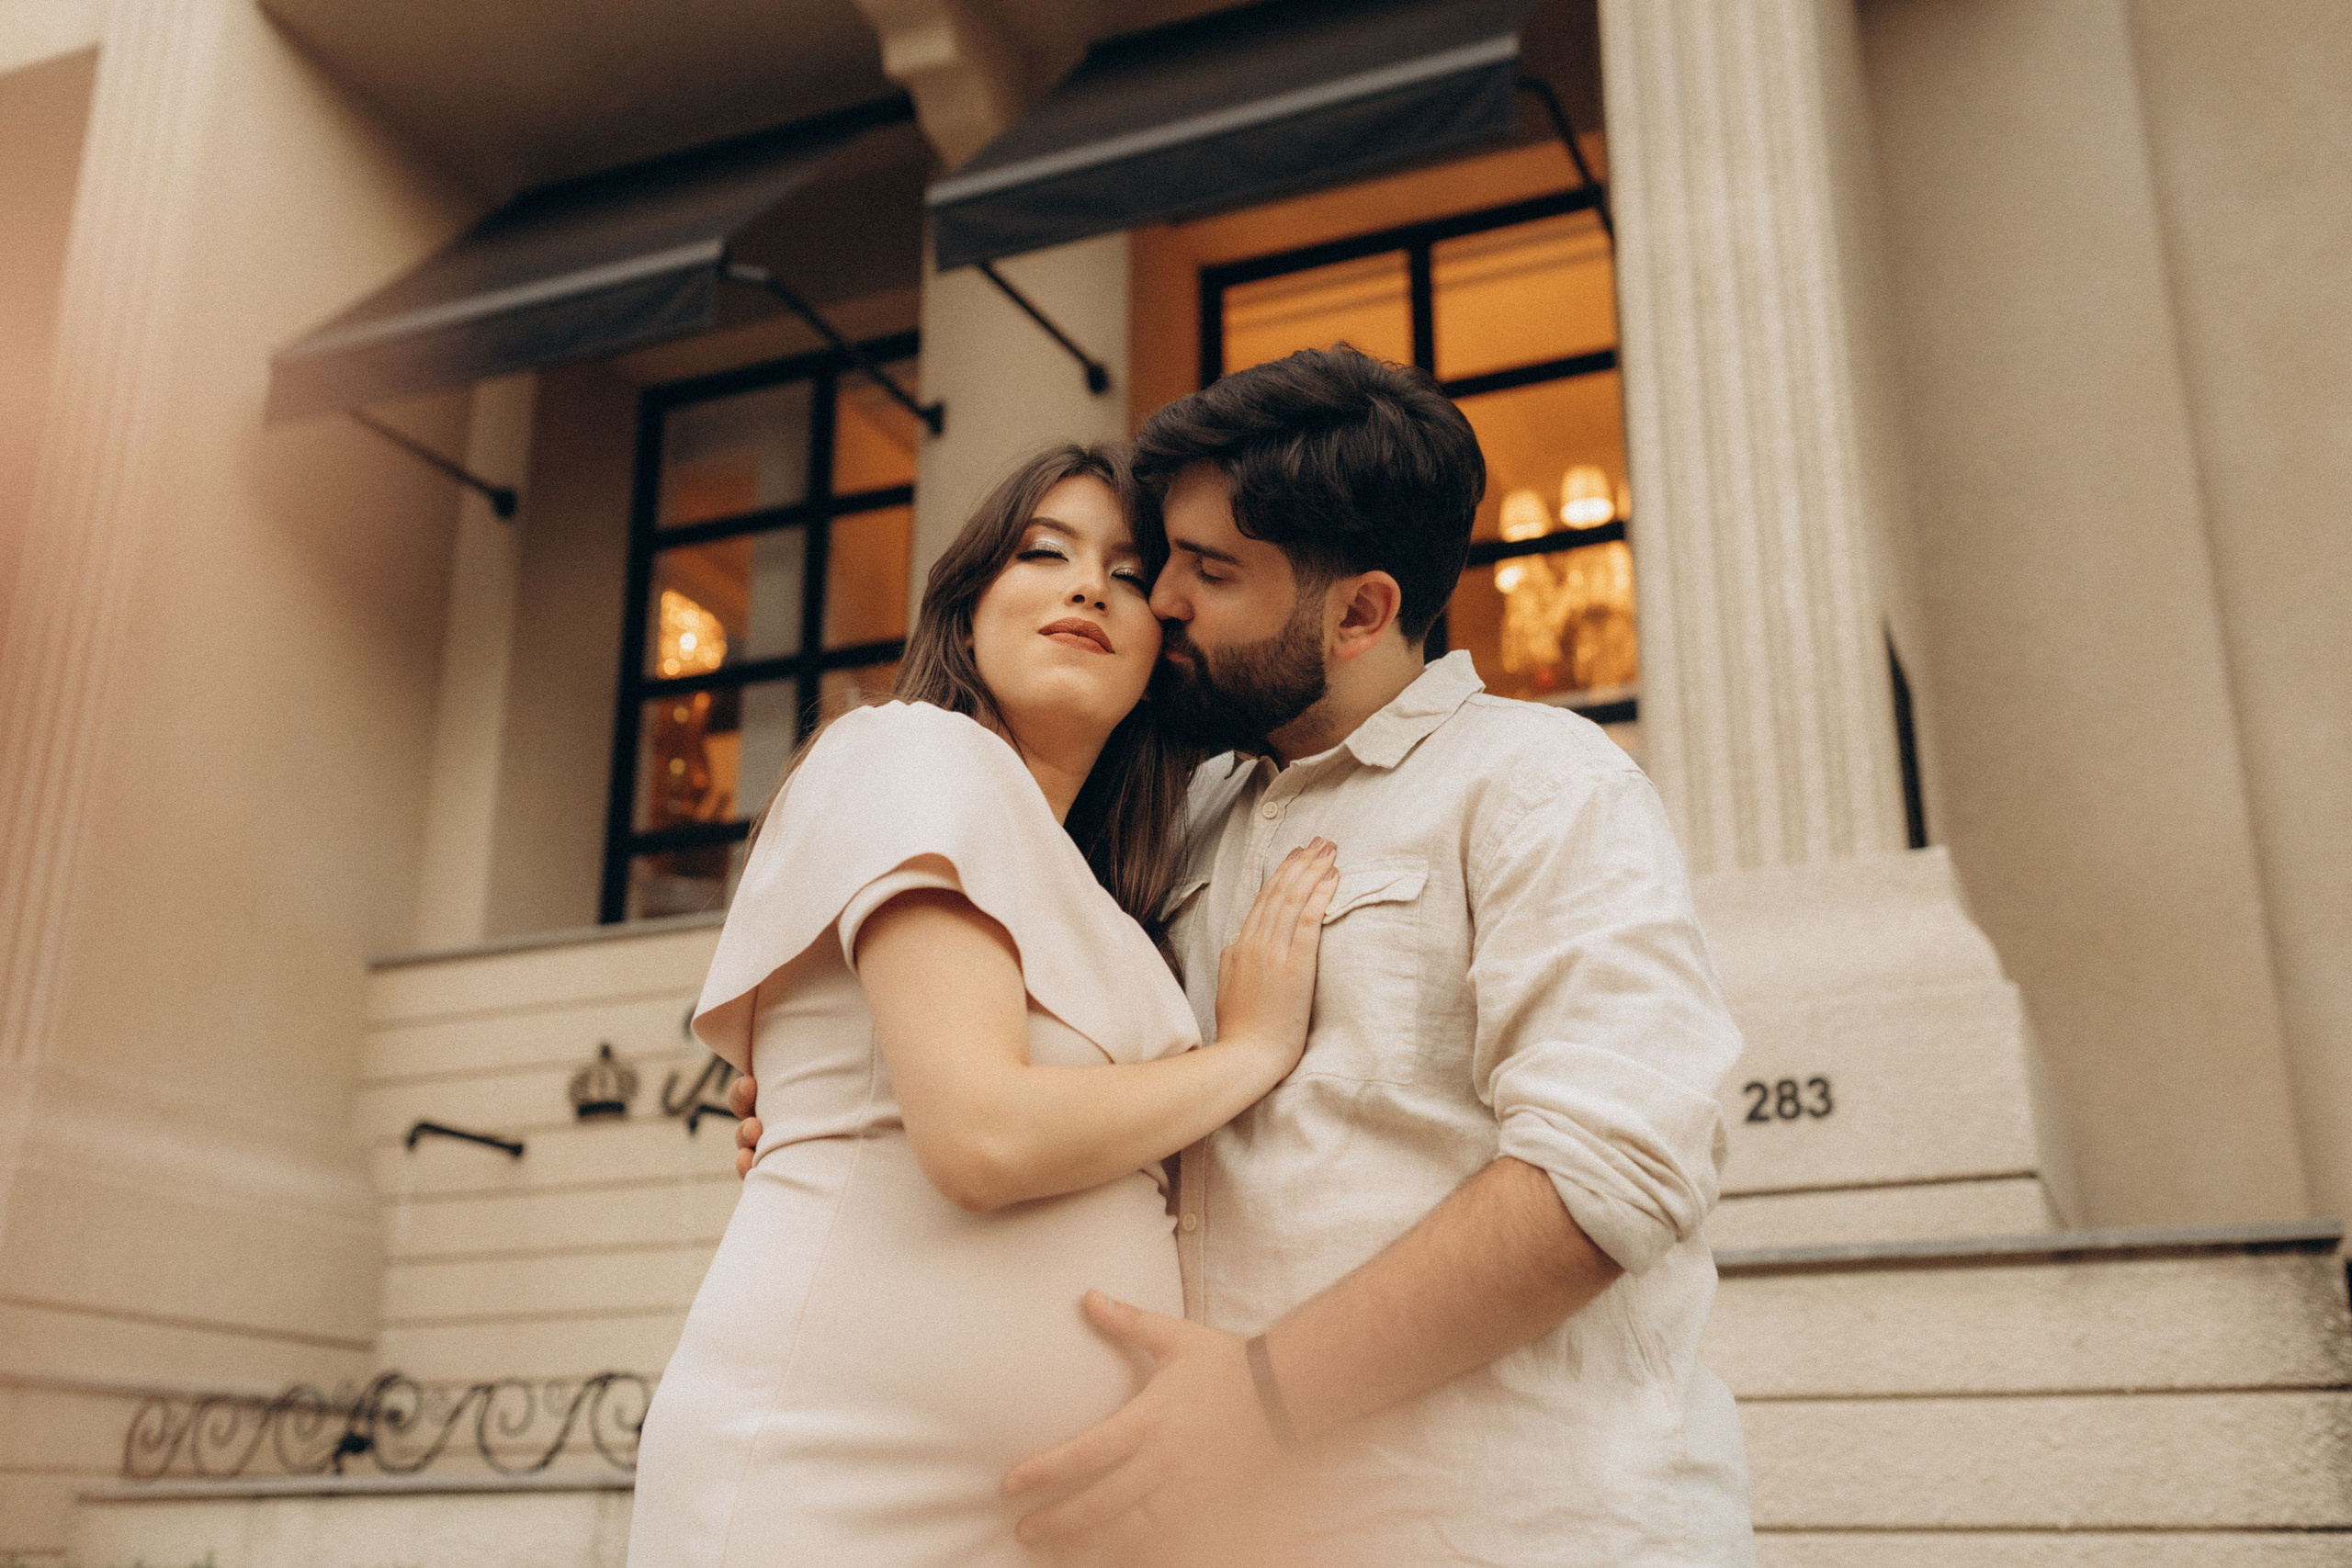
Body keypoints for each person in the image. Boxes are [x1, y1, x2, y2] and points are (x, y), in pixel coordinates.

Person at [732, 347, 1757, 1565]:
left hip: (1511, 1524)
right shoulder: (1177, 816)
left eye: (1207, 571)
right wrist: (849, 1090)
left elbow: (1610, 1176)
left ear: (1362, 610)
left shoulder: (1541, 784)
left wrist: (1262, 1393)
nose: (1159, 598)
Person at [627, 443, 1340, 1568]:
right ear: (965, 612)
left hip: (1049, 1519)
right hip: (837, 1479)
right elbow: (981, 1138)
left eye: (1124, 569)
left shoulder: (1108, 902)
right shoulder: (914, 748)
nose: (1087, 585)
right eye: (1041, 552)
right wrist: (1248, 1052)